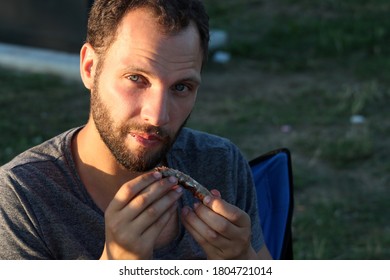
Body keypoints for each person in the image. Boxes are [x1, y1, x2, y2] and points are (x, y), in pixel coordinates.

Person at [0, 0, 272, 260]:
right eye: (136, 79)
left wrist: (241, 259)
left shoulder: (220, 163)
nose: (157, 116)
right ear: (89, 68)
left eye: (181, 87)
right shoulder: (22, 198)